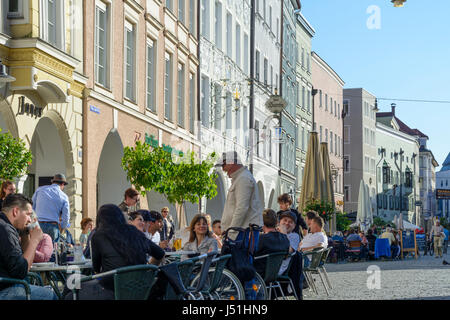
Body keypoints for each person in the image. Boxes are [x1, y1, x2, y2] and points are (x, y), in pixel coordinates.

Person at [64, 204, 165, 300]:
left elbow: (97, 270)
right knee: (72, 283)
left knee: (70, 292)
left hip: (111, 291)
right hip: (138, 290)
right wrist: (148, 268)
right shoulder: (135, 233)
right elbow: (160, 253)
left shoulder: (99, 236)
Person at [0, 194, 57, 300]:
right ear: (15, 211)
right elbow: (21, 271)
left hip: (8, 284)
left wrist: (25, 234)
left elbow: (23, 262)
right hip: (5, 289)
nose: (30, 220)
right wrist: (34, 241)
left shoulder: (6, 225)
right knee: (50, 295)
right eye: (28, 214)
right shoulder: (6, 230)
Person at [216, 151, 263, 239]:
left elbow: (241, 208)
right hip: (242, 230)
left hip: (242, 232)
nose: (223, 169)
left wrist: (232, 231)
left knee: (240, 252)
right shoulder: (241, 178)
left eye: (223, 165)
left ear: (231, 163)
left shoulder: (243, 178)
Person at [31, 174, 70, 242]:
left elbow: (31, 208)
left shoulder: (40, 190)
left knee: (36, 249)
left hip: (38, 225)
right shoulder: (64, 196)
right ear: (63, 184)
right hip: (53, 226)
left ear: (53, 182)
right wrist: (62, 227)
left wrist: (32, 223)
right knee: (52, 250)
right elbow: (66, 216)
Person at [253, 209, 290, 276]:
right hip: (275, 274)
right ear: (276, 222)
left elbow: (251, 253)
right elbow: (285, 256)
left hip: (258, 274)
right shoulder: (285, 238)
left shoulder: (261, 239)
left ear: (262, 222)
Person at [277, 210, 301, 275]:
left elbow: (289, 251)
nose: (287, 223)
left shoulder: (295, 236)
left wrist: (283, 233)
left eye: (290, 222)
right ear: (279, 222)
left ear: (294, 226)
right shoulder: (273, 233)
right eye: (285, 220)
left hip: (277, 268)